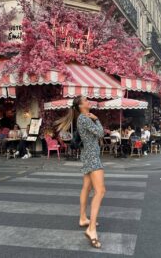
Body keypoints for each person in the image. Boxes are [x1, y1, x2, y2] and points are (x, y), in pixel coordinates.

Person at [55, 96, 105, 249]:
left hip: (88, 154)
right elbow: (101, 133)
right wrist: (97, 119)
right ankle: (91, 230)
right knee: (101, 191)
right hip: (91, 157)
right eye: (86, 100)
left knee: (87, 188)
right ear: (81, 105)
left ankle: (83, 218)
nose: (89, 101)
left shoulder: (82, 118)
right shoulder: (85, 118)